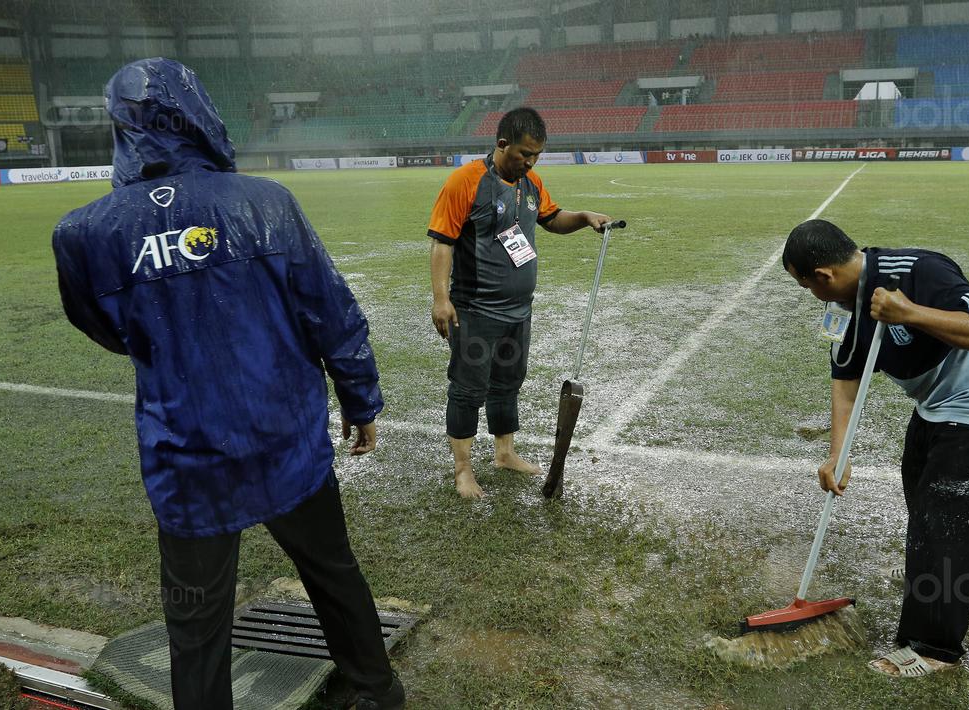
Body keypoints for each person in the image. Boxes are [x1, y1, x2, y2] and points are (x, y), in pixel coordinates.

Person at [52, 59, 403, 710]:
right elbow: (330, 312)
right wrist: (360, 400)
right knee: (331, 573)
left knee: (196, 628)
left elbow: (104, 327)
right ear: (199, 113)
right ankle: (375, 691)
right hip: (286, 444)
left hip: (187, 464)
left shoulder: (84, 234)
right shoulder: (266, 204)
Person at [781, 219, 969, 677]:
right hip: (938, 402)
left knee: (949, 522)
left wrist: (909, 313)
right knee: (920, 496)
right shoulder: (844, 308)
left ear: (822, 275)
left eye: (804, 285)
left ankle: (935, 649)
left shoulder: (918, 270)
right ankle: (930, 579)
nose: (809, 294)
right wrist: (838, 452)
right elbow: (845, 381)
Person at [427, 107, 610, 499]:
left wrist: (583, 216)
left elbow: (553, 218)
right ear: (502, 144)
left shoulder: (531, 183)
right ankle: (463, 470)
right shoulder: (465, 182)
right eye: (524, 154)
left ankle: (504, 453)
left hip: (518, 311)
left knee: (508, 382)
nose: (529, 162)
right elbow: (442, 241)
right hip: (476, 310)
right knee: (467, 389)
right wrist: (441, 299)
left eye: (537, 156)